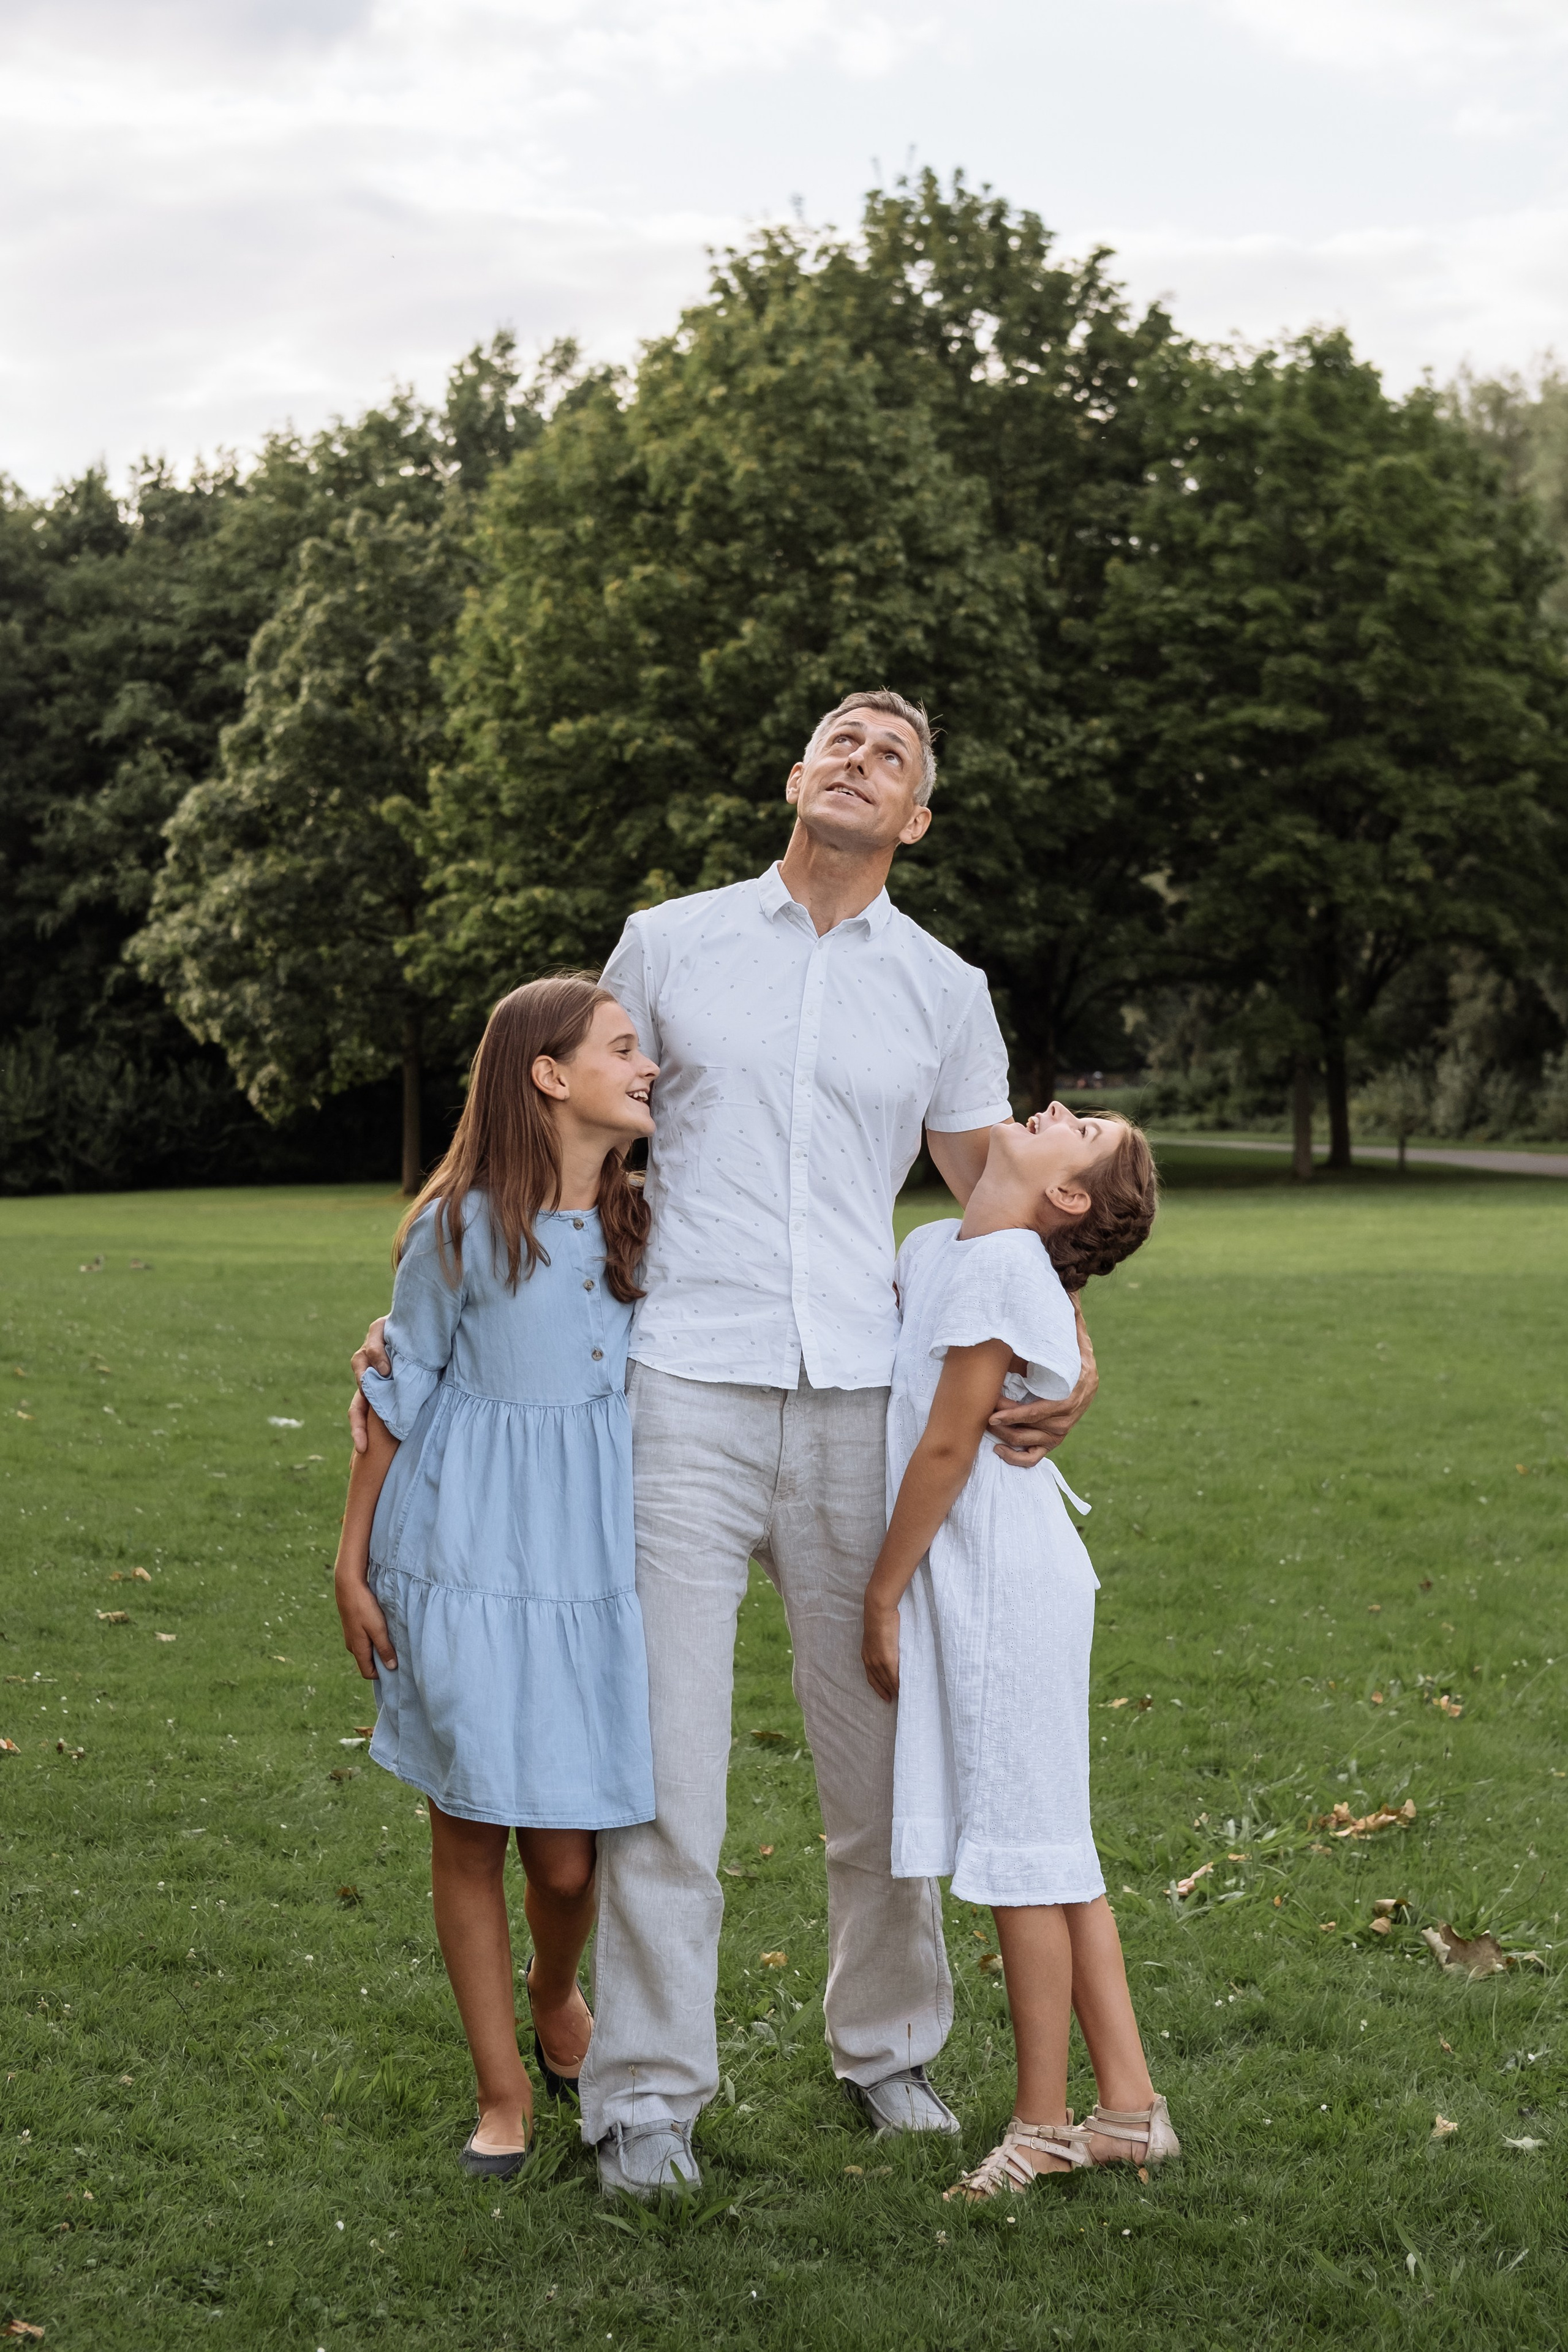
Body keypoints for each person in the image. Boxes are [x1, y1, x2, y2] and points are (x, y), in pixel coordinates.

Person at [352, 689, 1097, 2198]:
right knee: (664, 1767)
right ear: (794, 776)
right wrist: (451, 1293)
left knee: (878, 1759)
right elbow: (582, 1117)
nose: (861, 760)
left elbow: (990, 1188)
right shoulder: (669, 940)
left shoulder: (944, 988)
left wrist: (1066, 1345)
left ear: (915, 819)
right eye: (841, 739)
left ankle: (886, 2049)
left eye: (892, 757)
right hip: (675, 1385)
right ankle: (642, 2097)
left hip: (860, 1400)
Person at [333, 976, 661, 2180]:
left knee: (568, 1858)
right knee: (470, 1830)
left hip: (587, 1567)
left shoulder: (647, 1225)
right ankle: (501, 2088)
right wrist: (351, 1557)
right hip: (459, 1552)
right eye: (623, 1049)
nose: (647, 1069)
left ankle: (553, 1984)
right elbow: (395, 1384)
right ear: (545, 1071)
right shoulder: (458, 1224)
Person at [861, 1101, 1178, 2199]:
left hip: (1001, 1580)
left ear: (1070, 1196)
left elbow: (951, 1443)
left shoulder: (1004, 1274)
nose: (1050, 1108)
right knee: (1049, 1844)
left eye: (1079, 1125)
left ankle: (1042, 2126)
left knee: (1020, 1854)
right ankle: (1130, 2111)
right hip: (988, 1573)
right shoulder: (938, 1248)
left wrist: (882, 1592)